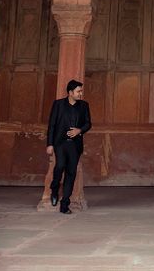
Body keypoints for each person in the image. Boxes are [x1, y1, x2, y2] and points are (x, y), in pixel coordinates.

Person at [46, 79, 92, 214]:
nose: (81, 94)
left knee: (71, 174)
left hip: (75, 145)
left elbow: (88, 123)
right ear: (70, 92)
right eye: (78, 91)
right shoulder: (58, 104)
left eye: (81, 91)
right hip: (60, 143)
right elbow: (52, 125)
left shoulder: (84, 105)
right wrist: (49, 144)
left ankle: (64, 204)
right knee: (59, 166)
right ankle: (54, 189)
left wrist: (79, 130)